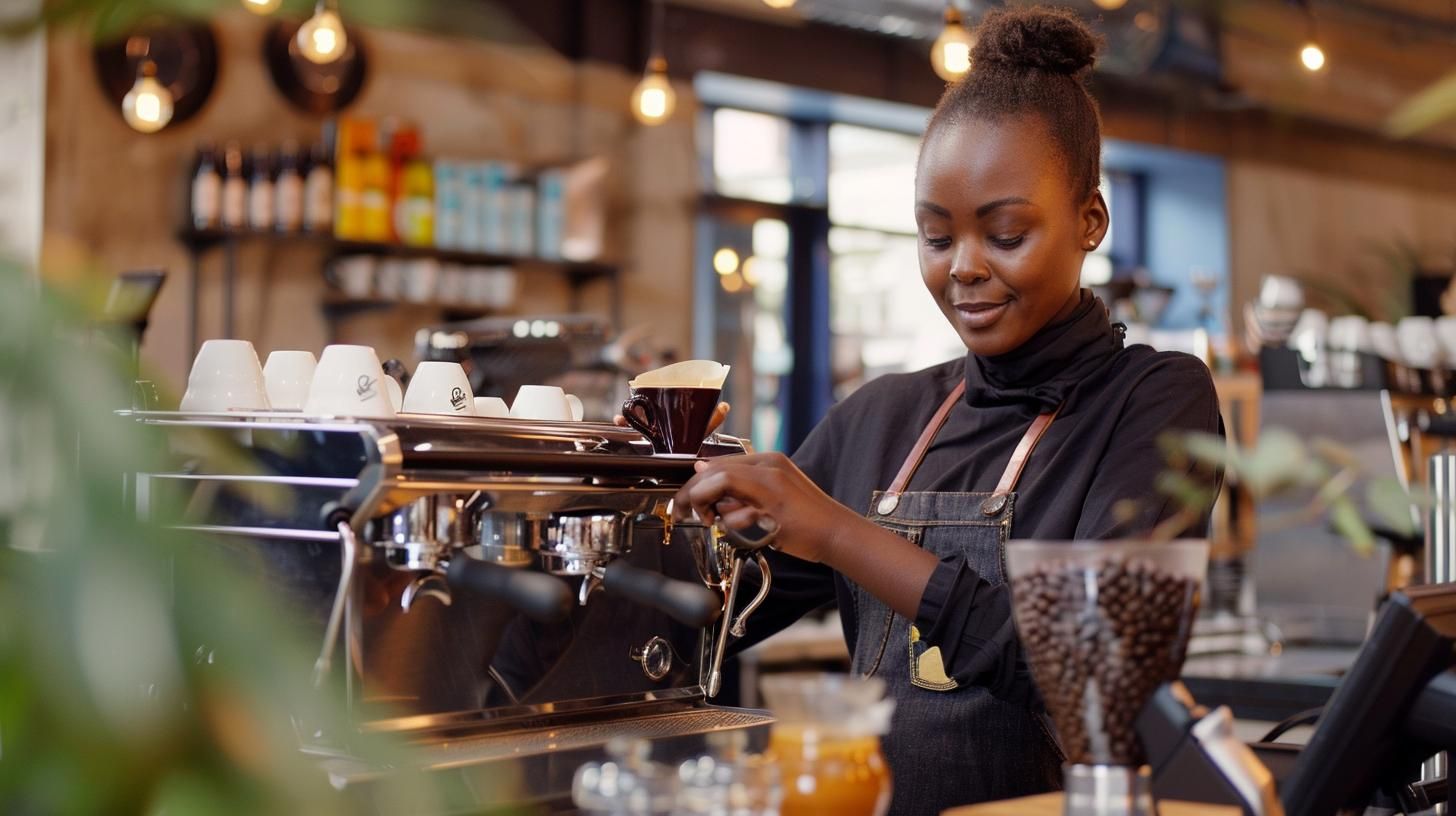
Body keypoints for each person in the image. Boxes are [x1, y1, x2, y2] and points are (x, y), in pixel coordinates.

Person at [670, 6, 1224, 814]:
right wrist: (658, 508)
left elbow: (1099, 681)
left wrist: (839, 532)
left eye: (1004, 235)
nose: (964, 269)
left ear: (1090, 221)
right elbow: (707, 630)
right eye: (937, 238)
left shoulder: (1155, 400)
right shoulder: (883, 419)